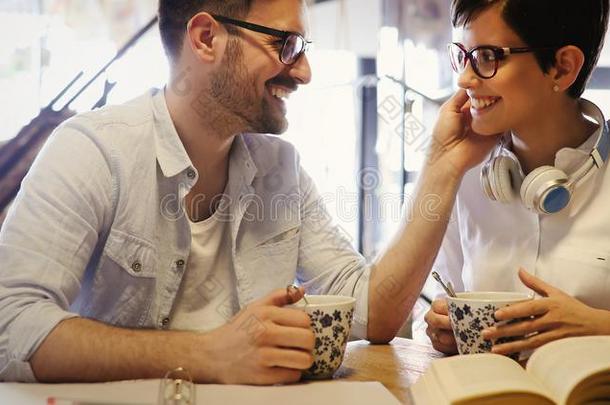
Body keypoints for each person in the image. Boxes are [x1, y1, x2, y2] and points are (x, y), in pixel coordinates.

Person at [0, 0, 498, 383]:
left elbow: (372, 310)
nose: (304, 71)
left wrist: (443, 164)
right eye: (286, 44)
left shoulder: (279, 167)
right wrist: (208, 355)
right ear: (204, 38)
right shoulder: (92, 151)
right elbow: (10, 327)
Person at [423, 0, 610, 356]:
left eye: (488, 57)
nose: (464, 78)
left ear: (561, 67)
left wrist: (599, 326)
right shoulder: (465, 174)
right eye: (462, 55)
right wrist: (440, 327)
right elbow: (435, 301)